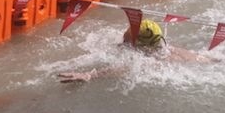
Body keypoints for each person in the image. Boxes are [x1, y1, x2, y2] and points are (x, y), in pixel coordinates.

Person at [57, 19, 204, 83]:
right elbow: (208, 59)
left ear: (138, 43)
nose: (123, 37)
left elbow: (124, 69)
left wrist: (90, 75)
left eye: (127, 37)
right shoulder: (174, 51)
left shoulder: (150, 61)